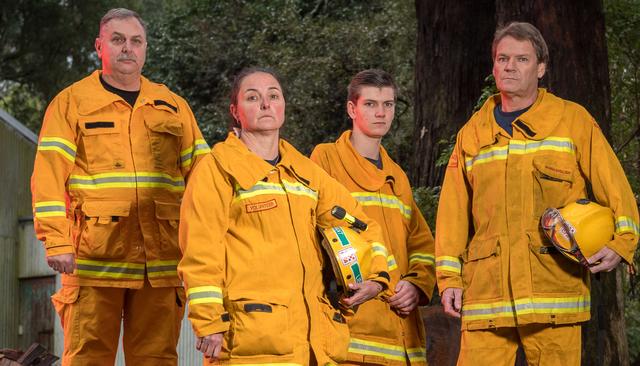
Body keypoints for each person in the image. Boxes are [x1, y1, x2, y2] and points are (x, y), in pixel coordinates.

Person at [435, 22, 640, 366]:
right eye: (502, 58)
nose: (510, 66)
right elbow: (452, 214)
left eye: (521, 59)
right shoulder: (472, 134)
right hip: (488, 296)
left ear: (541, 68)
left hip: (553, 292)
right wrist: (448, 278)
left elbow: (614, 187)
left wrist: (622, 242)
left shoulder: (572, 120)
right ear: (494, 65)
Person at [177, 67, 391, 365]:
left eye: (273, 95)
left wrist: (377, 279)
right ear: (235, 111)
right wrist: (208, 322)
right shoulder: (217, 171)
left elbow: (363, 225)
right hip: (250, 343)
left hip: (314, 344)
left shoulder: (306, 175)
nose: (266, 104)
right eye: (253, 97)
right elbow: (200, 254)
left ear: (283, 105)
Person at [31, 8, 208, 365]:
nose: (128, 48)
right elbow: (48, 174)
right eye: (118, 40)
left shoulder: (173, 106)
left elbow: (204, 178)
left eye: (136, 41)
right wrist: (56, 239)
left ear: (145, 49)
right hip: (94, 260)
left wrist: (209, 242)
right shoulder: (72, 103)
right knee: (88, 358)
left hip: (160, 262)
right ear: (100, 46)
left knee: (157, 358)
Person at [310, 69, 435, 365]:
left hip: (401, 331)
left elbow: (421, 242)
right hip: (350, 328)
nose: (381, 113)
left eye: (388, 104)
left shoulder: (397, 177)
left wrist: (417, 285)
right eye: (370, 104)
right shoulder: (325, 160)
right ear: (352, 108)